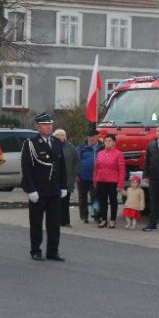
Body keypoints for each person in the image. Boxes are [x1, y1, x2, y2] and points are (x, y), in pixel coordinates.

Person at [20, 112, 67, 262]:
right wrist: (31, 189)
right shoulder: (31, 143)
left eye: (50, 124)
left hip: (54, 189)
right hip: (39, 189)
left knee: (54, 223)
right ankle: (36, 250)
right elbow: (26, 168)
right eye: (45, 125)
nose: (48, 127)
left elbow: (61, 166)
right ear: (38, 127)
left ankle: (53, 251)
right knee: (36, 223)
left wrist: (64, 186)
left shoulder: (57, 142)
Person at [94, 134, 125, 229]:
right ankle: (104, 219)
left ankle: (112, 220)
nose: (107, 143)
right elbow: (96, 168)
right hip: (101, 180)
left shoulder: (118, 154)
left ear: (114, 143)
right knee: (102, 201)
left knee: (113, 201)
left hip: (113, 181)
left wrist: (120, 184)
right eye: (106, 141)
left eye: (110, 141)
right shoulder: (100, 153)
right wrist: (95, 180)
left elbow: (122, 170)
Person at [53, 129, 79, 227]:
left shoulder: (71, 147)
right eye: (58, 135)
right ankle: (56, 221)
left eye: (62, 135)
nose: (60, 137)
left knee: (65, 201)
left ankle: (66, 221)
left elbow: (77, 161)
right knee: (55, 202)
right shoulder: (51, 146)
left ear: (65, 136)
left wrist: (74, 173)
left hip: (67, 178)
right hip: (55, 179)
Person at [76, 128, 101, 224]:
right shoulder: (81, 147)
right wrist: (76, 174)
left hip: (97, 177)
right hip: (82, 177)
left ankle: (96, 215)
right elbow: (76, 160)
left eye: (93, 137)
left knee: (95, 197)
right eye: (89, 137)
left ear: (98, 137)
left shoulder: (102, 147)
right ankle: (84, 216)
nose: (91, 139)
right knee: (82, 197)